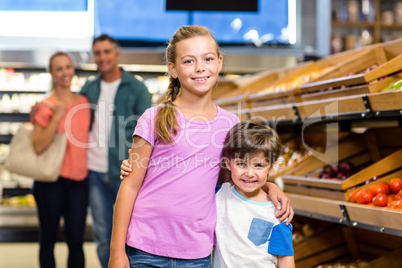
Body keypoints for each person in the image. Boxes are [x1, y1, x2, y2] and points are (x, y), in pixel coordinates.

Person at [109, 25, 293, 268]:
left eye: (207, 59)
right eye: (188, 61)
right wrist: (116, 251)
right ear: (172, 69)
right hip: (145, 248)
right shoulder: (153, 118)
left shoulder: (230, 124)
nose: (200, 68)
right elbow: (130, 187)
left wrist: (269, 187)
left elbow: (232, 178)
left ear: (219, 62)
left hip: (197, 253)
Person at [79, 34, 152, 268]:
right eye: (97, 53)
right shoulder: (88, 88)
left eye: (106, 52)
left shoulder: (137, 88)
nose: (102, 57)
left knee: (128, 235)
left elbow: (149, 131)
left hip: (126, 172)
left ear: (117, 54)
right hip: (94, 173)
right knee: (102, 236)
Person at [32, 51, 91, 268]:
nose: (65, 72)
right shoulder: (45, 106)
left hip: (79, 181)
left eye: (68, 67)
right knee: (48, 240)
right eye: (59, 68)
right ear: (51, 73)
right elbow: (38, 146)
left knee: (76, 240)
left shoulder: (84, 102)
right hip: (50, 182)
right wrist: (57, 115)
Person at [214, 121, 295, 268]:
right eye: (241, 164)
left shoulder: (277, 211)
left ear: (270, 167)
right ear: (227, 163)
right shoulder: (219, 196)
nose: (250, 173)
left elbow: (285, 258)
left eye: (259, 165)